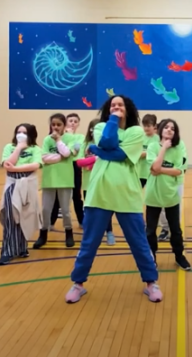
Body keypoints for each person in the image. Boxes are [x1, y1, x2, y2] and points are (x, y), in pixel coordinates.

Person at [65, 95, 162, 304]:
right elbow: (108, 141)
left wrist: (98, 151)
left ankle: (151, 283)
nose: (116, 107)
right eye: (112, 105)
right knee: (89, 243)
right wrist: (111, 123)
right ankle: (78, 284)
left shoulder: (136, 132)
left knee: (139, 243)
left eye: (120, 105)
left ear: (127, 109)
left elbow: (120, 155)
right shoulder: (101, 127)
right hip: (99, 194)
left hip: (127, 195)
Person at [144, 118, 191, 271]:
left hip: (171, 195)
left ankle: (179, 256)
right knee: (150, 230)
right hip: (153, 195)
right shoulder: (152, 146)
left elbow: (179, 170)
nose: (169, 130)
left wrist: (159, 170)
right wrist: (163, 148)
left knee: (175, 229)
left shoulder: (178, 149)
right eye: (166, 127)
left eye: (173, 128)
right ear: (160, 130)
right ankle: (152, 257)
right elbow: (154, 166)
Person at [0, 124, 43, 265]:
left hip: (28, 185)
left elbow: (35, 165)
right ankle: (8, 250)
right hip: (12, 184)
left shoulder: (36, 149)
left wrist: (16, 168)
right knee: (10, 216)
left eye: (24, 132)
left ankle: (21, 248)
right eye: (18, 132)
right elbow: (7, 164)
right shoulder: (9, 147)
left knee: (24, 216)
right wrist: (18, 148)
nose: (21, 134)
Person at [36, 113, 77, 249]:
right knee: (46, 209)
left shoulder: (71, 138)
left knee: (65, 210)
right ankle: (43, 234)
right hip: (49, 179)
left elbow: (67, 153)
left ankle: (68, 233)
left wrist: (59, 141)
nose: (55, 127)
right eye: (53, 124)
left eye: (59, 124)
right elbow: (44, 157)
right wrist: (60, 157)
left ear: (64, 126)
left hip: (65, 179)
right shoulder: (47, 139)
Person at [74, 118, 116, 246]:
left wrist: (92, 162)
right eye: (93, 128)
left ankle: (109, 232)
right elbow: (80, 161)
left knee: (105, 207)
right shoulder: (86, 143)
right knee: (90, 211)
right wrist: (95, 160)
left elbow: (109, 161)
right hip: (88, 183)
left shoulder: (106, 145)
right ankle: (90, 235)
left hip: (103, 181)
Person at [52, 113, 85, 228]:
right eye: (70, 121)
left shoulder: (80, 137)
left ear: (78, 124)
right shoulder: (60, 136)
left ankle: (82, 221)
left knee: (76, 195)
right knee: (57, 194)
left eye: (75, 121)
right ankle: (51, 222)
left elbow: (76, 150)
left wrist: (70, 143)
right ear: (66, 123)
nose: (73, 123)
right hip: (63, 165)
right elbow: (62, 150)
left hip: (75, 165)